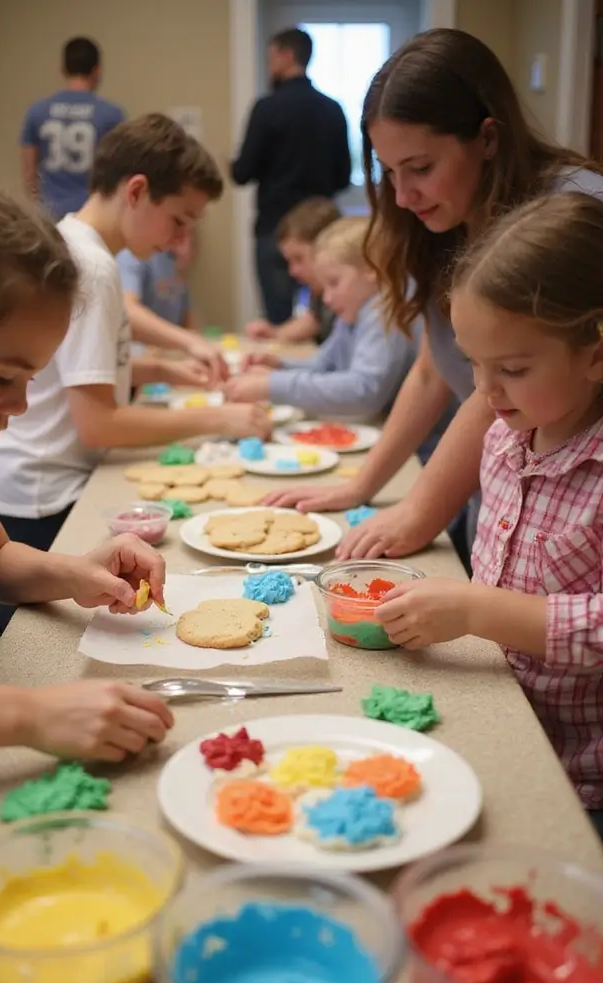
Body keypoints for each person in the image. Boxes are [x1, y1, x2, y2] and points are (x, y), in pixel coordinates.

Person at [0, 84, 173, 818]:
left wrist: (76, 573)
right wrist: (31, 715)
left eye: (29, 381)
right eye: (0, 377)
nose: (19, 408)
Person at [263, 28, 603, 569]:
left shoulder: (576, 210)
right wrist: (362, 484)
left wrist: (420, 511)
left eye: (420, 168)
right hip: (496, 506)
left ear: (488, 138)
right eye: (388, 171)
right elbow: (431, 369)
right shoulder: (434, 221)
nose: (401, 195)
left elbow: (483, 392)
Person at [375, 192, 603, 837]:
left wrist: (477, 610)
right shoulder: (505, 434)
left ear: (596, 352)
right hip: (501, 725)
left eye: (512, 368)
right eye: (474, 364)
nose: (484, 391)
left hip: (582, 777)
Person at [0, 114, 270, 555]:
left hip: (30, 484)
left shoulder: (79, 244)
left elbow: (73, 369)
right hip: (41, 498)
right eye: (179, 220)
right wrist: (219, 419)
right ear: (136, 191)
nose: (179, 240)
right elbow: (98, 424)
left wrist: (167, 372)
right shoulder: (93, 267)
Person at [224, 217, 415, 417]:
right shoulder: (353, 313)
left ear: (371, 270)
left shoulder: (383, 314)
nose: (327, 298)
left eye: (334, 283)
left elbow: (364, 392)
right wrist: (279, 366)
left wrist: (271, 385)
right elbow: (325, 363)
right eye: (325, 287)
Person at [231, 27, 351, 325]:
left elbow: (242, 173)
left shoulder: (267, 108)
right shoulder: (332, 110)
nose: (269, 65)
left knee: (279, 318)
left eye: (271, 57)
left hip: (274, 228)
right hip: (321, 230)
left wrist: (231, 163)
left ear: (286, 56)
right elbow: (344, 176)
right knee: (328, 316)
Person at [20, 37, 125, 219]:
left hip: (50, 216)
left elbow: (29, 176)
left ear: (63, 69)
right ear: (97, 70)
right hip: (91, 217)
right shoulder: (112, 115)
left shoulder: (37, 112)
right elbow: (120, 173)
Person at [118, 231, 227, 385]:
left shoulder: (175, 262)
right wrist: (190, 342)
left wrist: (198, 344)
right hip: (141, 363)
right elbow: (127, 310)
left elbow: (190, 323)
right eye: (177, 221)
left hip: (167, 362)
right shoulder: (134, 255)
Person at [245, 196, 341, 345]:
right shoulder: (319, 292)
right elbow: (312, 320)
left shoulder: (349, 296)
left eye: (299, 258)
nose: (292, 271)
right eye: (289, 261)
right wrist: (274, 333)